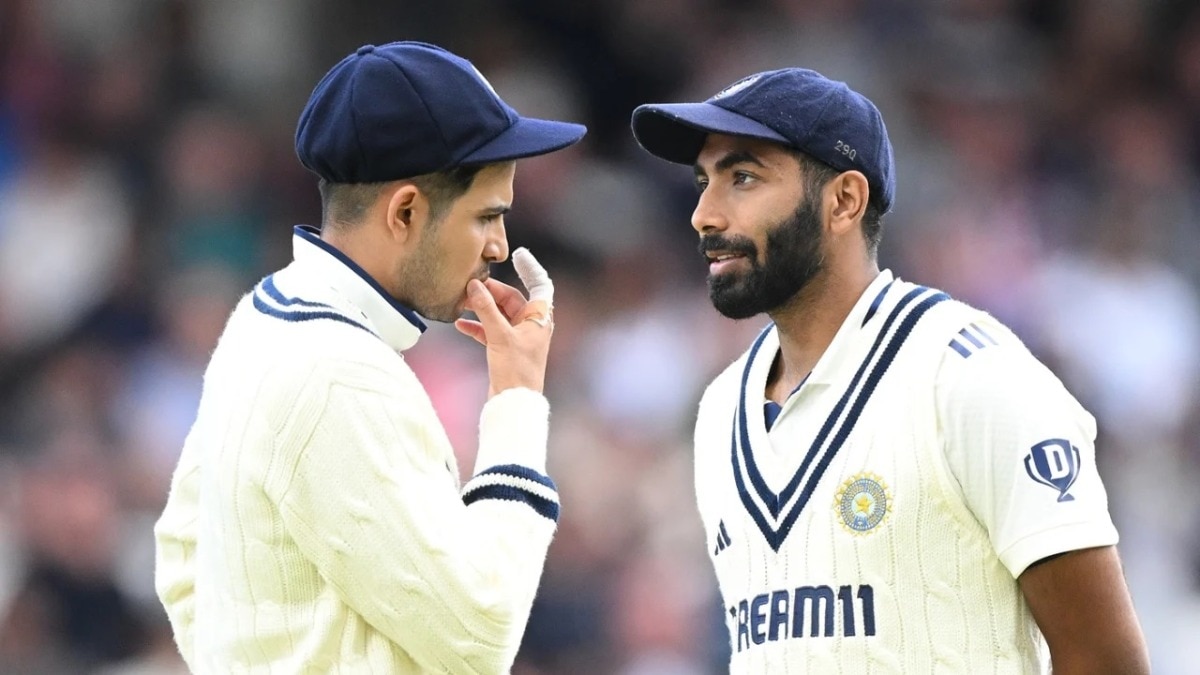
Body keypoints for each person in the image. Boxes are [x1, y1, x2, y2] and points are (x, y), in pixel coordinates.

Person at [630, 69, 1150, 673]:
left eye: (742, 177)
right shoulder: (720, 409)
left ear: (844, 200)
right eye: (704, 182)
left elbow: (1106, 659)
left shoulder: (969, 376)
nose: (703, 214)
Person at [154, 41, 586, 673]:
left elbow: (182, 563)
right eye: (487, 216)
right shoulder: (339, 373)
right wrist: (516, 399)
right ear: (406, 211)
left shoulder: (263, 313)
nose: (499, 246)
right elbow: (482, 634)